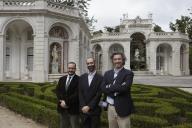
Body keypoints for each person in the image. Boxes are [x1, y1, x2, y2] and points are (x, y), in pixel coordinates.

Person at [101, 52, 134, 128]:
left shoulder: (128, 73)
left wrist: (109, 86)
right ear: (112, 61)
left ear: (123, 60)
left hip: (123, 107)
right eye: (115, 59)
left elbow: (125, 88)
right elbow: (103, 88)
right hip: (110, 107)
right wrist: (117, 87)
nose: (117, 61)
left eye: (119, 59)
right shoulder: (107, 73)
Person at [79, 57, 103, 128]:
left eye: (91, 63)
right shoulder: (82, 77)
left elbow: (99, 94)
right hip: (83, 110)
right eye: (88, 63)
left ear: (95, 63)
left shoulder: (101, 78)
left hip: (94, 110)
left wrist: (89, 106)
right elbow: (80, 93)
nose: (90, 65)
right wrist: (83, 106)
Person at [56, 62, 80, 128]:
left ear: (75, 69)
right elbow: (58, 91)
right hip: (62, 108)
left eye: (72, 68)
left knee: (74, 126)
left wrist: (66, 102)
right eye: (69, 68)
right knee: (63, 126)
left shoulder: (79, 79)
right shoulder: (62, 79)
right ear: (67, 68)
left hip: (73, 109)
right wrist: (61, 101)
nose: (70, 70)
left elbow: (77, 94)